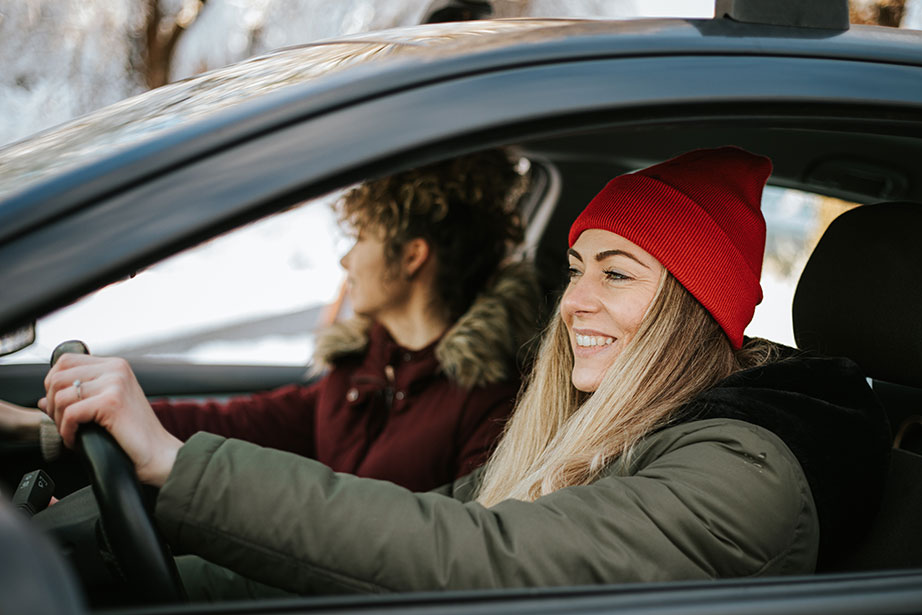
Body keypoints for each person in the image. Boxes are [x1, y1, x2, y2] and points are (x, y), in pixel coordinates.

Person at [38, 147, 890, 597]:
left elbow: (479, 556)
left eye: (617, 273)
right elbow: (433, 516)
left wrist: (177, 466)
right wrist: (114, 559)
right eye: (576, 267)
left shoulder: (743, 472)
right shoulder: (608, 431)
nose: (573, 303)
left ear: (688, 310)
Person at [4, 150, 541, 492]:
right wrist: (46, 425)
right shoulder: (365, 368)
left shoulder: (491, 406)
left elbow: (448, 549)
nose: (346, 260)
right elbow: (239, 422)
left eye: (361, 239)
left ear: (413, 256)